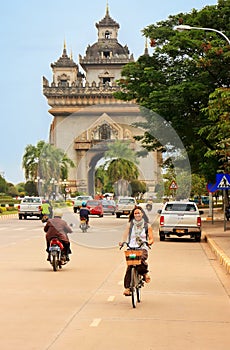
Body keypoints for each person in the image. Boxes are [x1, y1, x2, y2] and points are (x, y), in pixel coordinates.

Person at [120, 206, 154, 296]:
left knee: (140, 259)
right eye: (135, 213)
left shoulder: (147, 226)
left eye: (139, 213)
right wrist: (122, 242)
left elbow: (151, 239)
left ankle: (145, 273)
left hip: (142, 248)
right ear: (133, 215)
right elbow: (125, 236)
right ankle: (127, 288)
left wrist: (148, 243)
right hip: (131, 248)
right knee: (130, 265)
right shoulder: (130, 225)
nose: (137, 214)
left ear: (142, 214)